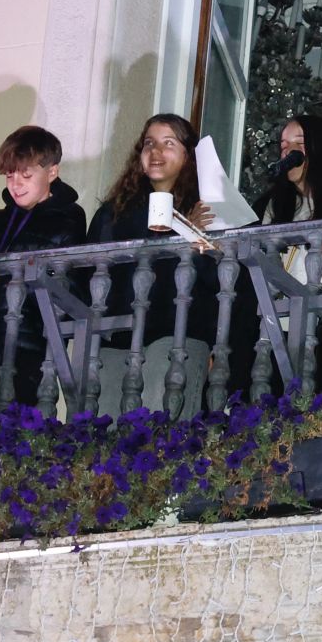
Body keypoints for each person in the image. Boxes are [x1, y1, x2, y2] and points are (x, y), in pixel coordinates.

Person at [84, 114, 219, 418]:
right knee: (104, 433)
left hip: (177, 333)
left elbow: (216, 279)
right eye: (149, 143)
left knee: (161, 431)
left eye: (168, 143)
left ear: (188, 155)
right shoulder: (114, 212)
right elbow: (92, 273)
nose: (156, 151)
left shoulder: (205, 209)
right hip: (118, 337)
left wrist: (191, 235)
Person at [0, 125, 89, 427]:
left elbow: (67, 280)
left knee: (18, 420)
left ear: (52, 172)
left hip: (32, 336)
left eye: (26, 175)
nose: (16, 184)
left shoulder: (69, 217)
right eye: (10, 175)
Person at [239, 114, 322, 395]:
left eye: (298, 144)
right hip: (271, 323)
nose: (288, 152)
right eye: (283, 146)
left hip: (320, 328)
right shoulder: (271, 205)